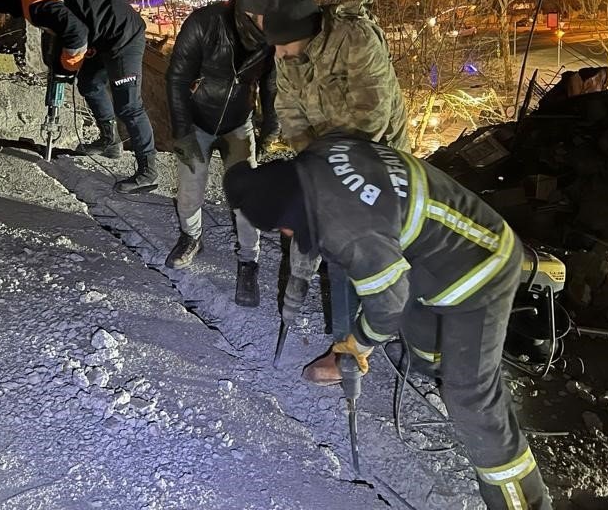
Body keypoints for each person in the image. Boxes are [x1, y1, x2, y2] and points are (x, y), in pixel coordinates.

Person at [224, 136, 552, 510]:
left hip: (481, 266)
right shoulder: (320, 153)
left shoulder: (347, 228)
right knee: (426, 347)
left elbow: (387, 307)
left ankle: (525, 500)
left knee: (471, 397)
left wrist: (356, 345)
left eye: (286, 228)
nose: (287, 235)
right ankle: (448, 375)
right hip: (436, 249)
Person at [264, 0, 409, 384]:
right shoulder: (287, 49)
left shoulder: (356, 39)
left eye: (285, 47)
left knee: (365, 249)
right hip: (325, 156)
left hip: (378, 156)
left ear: (309, 32)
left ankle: (361, 340)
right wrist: (311, 165)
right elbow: (289, 111)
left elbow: (371, 117)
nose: (279, 56)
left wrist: (332, 176)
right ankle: (296, 305)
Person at [164, 0, 287, 306]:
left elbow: (271, 84)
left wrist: (269, 130)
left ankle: (248, 260)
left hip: (238, 121)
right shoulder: (205, 22)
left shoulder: (273, 36)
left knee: (246, 196)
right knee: (190, 187)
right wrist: (183, 132)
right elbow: (176, 79)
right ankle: (191, 237)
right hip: (198, 120)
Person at [0, 0, 157, 193]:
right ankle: (110, 141)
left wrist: (67, 66)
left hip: (122, 34)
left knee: (129, 106)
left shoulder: (36, 2)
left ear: (7, 3)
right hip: (103, 32)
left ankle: (148, 172)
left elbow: (76, 33)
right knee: (90, 83)